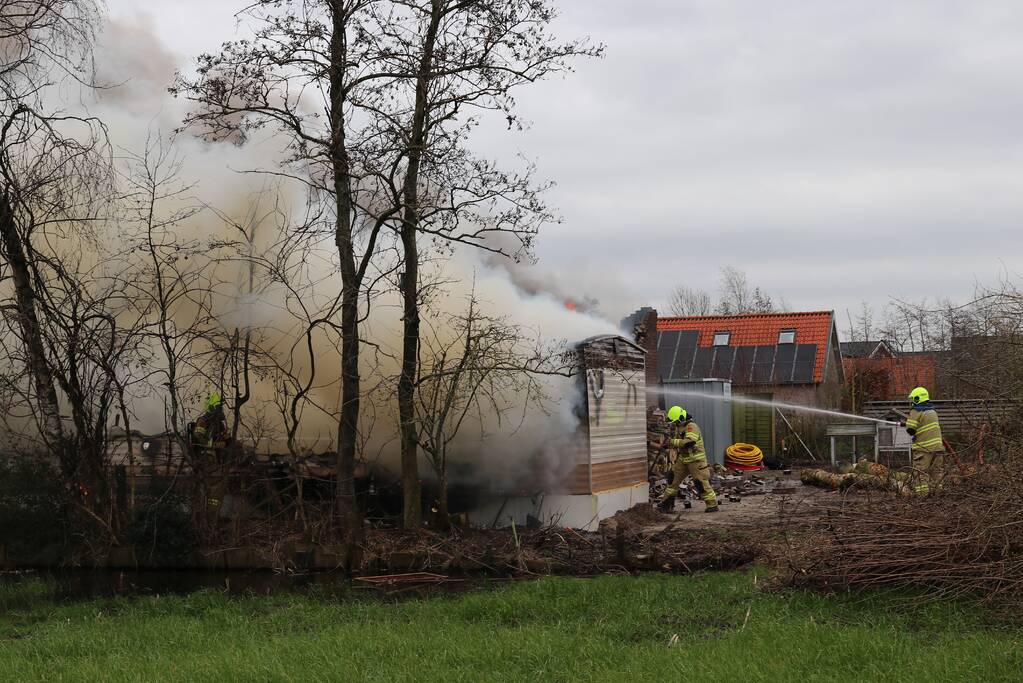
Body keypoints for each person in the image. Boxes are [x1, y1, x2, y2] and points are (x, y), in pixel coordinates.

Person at [657, 405, 719, 513]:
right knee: (672, 481)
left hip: (696, 461)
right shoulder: (679, 426)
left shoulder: (691, 427)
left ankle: (712, 505)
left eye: (676, 421)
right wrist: (669, 445)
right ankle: (666, 504)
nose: (675, 424)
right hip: (684, 459)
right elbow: (678, 441)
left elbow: (688, 442)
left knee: (701, 483)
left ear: (681, 418)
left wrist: (672, 442)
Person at [904, 386, 945, 495]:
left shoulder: (916, 411)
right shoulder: (933, 412)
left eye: (913, 399)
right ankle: (938, 495)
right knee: (936, 472)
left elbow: (910, 430)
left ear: (917, 399)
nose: (912, 402)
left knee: (920, 473)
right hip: (938, 449)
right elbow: (923, 425)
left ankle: (923, 498)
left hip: (924, 450)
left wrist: (907, 423)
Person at [192, 392, 228, 457]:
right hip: (205, 453)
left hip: (218, 453)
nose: (220, 409)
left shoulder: (219, 422)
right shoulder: (203, 421)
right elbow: (198, 439)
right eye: (218, 407)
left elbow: (224, 435)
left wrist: (229, 439)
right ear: (211, 408)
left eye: (220, 407)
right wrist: (215, 444)